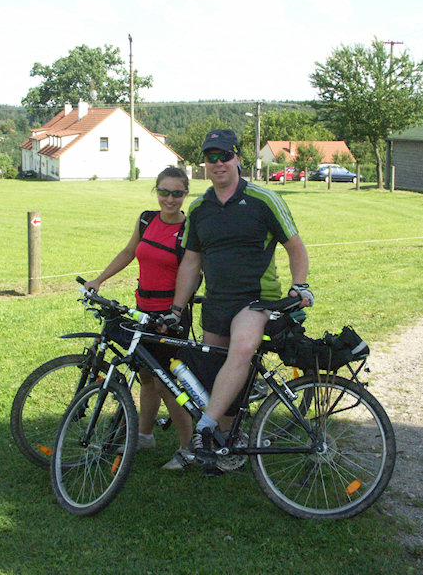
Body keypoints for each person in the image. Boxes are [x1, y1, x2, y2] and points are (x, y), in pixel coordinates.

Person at [165, 129, 313, 473]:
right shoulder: (199, 208)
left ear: (237, 159)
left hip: (257, 300)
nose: (218, 163)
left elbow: (295, 247)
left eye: (224, 156)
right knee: (215, 375)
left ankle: (204, 429)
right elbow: (191, 262)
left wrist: (300, 285)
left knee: (243, 348)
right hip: (216, 302)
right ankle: (228, 443)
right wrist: (175, 309)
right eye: (211, 157)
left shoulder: (263, 200)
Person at [85, 166, 194, 470]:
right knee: (146, 377)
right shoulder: (146, 220)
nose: (169, 199)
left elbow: (192, 272)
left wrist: (175, 312)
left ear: (185, 194)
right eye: (164, 192)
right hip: (141, 311)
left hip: (169, 317)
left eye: (177, 193)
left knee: (167, 384)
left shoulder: (188, 230)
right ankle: (144, 435)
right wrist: (99, 279)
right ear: (156, 191)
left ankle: (189, 448)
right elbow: (129, 252)